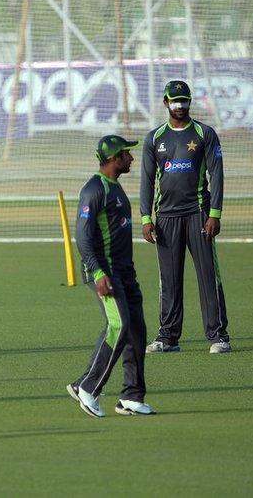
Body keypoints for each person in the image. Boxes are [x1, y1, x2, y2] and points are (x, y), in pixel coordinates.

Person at [139, 80, 229, 354]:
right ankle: (168, 337)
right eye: (174, 101)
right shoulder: (155, 138)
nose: (180, 106)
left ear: (190, 102)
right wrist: (145, 218)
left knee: (207, 274)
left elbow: (217, 173)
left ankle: (218, 335)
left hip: (198, 214)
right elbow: (147, 180)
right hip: (166, 217)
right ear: (165, 102)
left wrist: (214, 213)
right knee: (169, 279)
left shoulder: (204, 133)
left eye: (184, 101)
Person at [67, 135, 154, 417]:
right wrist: (99, 272)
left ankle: (131, 395)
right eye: (127, 154)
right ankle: (89, 388)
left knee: (137, 330)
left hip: (125, 272)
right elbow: (83, 237)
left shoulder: (115, 188)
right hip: (105, 272)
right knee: (119, 325)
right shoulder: (94, 189)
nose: (131, 158)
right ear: (115, 158)